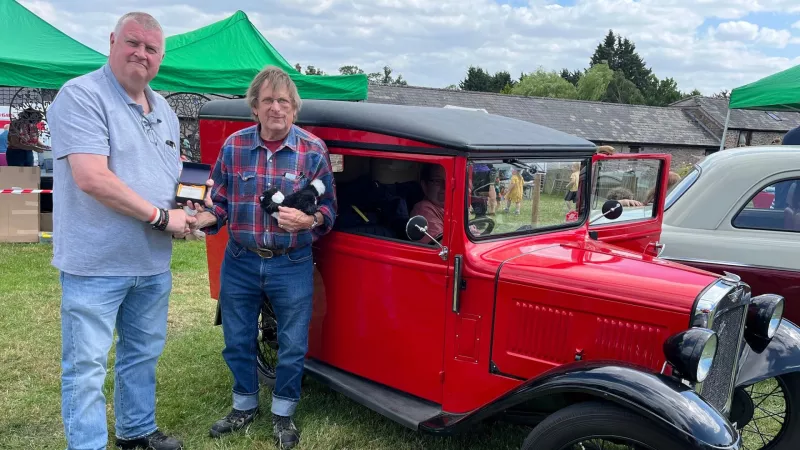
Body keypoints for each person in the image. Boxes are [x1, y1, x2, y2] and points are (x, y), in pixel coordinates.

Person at [46, 11, 192, 450]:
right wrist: (164, 218)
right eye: (133, 43)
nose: (141, 54)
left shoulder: (163, 107)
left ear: (160, 57)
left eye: (151, 49)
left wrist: (190, 205)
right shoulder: (81, 96)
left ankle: (136, 433)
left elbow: (175, 172)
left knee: (141, 355)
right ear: (112, 41)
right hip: (95, 264)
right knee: (87, 367)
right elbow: (93, 178)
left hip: (150, 263)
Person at [190, 65, 337, 450]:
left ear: (294, 108)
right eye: (268, 100)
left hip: (292, 263)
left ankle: (283, 414)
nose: (276, 108)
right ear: (254, 107)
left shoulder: (312, 151)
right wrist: (202, 218)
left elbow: (330, 212)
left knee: (291, 342)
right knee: (238, 339)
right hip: (240, 259)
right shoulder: (234, 146)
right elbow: (218, 201)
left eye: (283, 101)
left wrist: (309, 219)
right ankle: (243, 407)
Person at [410, 163, 446, 243]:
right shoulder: (423, 210)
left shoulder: (450, 207)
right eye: (437, 181)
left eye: (450, 180)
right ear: (425, 186)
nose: (445, 187)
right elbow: (440, 246)